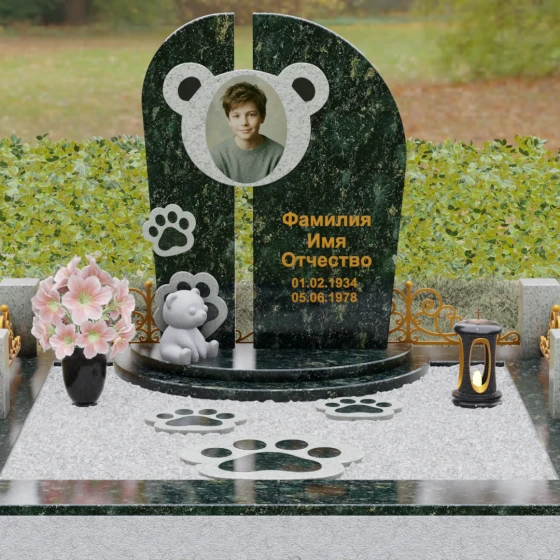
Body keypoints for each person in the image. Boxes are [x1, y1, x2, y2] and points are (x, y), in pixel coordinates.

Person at [210, 82, 284, 183]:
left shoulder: (279, 155)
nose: (244, 122)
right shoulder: (218, 155)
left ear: (262, 117)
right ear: (229, 120)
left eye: (251, 115)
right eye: (236, 116)